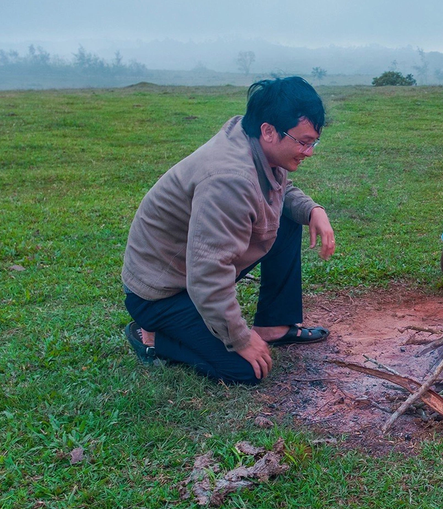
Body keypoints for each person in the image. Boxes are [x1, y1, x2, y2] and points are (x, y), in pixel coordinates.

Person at [121, 76, 336, 385]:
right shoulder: (229, 179)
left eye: (313, 142)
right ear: (269, 131)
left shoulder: (253, 141)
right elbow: (207, 273)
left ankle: (274, 325)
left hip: (188, 271)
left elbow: (279, 193)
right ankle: (152, 339)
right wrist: (240, 338)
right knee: (247, 370)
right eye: (303, 142)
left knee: (288, 217)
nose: (309, 151)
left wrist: (314, 210)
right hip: (161, 293)